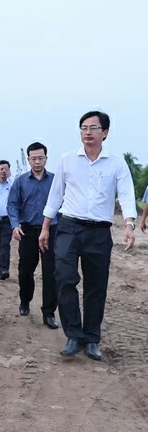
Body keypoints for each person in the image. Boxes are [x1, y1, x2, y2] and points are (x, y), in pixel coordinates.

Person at [40, 110, 137, 361]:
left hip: (99, 232)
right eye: (84, 127)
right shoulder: (67, 160)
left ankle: (92, 338)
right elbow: (55, 194)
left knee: (96, 287)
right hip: (69, 228)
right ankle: (74, 335)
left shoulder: (116, 163)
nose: (87, 132)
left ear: (104, 133)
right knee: (64, 277)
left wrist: (129, 224)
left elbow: (126, 195)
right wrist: (45, 227)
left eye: (93, 128)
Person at [7, 142, 59, 328]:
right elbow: (12, 205)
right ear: (28, 159)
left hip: (51, 231)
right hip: (27, 231)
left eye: (41, 158)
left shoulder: (55, 180)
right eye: (33, 158)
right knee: (25, 271)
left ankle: (49, 312)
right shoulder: (20, 181)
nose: (37, 161)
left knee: (51, 272)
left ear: (46, 158)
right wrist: (14, 225)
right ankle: (25, 301)